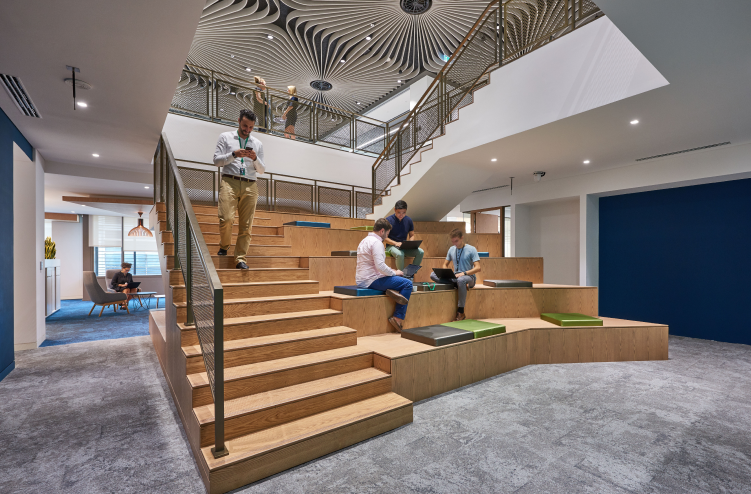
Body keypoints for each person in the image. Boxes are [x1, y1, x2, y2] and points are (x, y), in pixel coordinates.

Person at [213, 109, 267, 269]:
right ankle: (224, 245)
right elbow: (216, 161)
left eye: (251, 127)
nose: (247, 130)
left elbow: (262, 170)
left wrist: (255, 158)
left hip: (251, 184)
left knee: (246, 224)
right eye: (245, 126)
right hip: (230, 181)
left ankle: (240, 258)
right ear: (238, 121)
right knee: (226, 218)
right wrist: (233, 155)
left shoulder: (258, 143)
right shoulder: (225, 137)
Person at [356, 218, 413, 332]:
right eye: (387, 233)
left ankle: (391, 290)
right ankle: (397, 318)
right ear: (382, 231)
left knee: (395, 277)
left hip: (362, 279)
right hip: (371, 280)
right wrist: (395, 272)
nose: (387, 236)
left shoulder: (364, 240)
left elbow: (377, 266)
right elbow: (380, 267)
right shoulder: (377, 243)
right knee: (407, 284)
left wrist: (391, 271)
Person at [430, 228, 482, 321]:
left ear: (462, 238)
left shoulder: (471, 249)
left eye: (456, 241)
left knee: (461, 280)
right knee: (432, 275)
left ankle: (461, 311)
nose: (455, 243)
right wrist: (446, 273)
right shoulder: (451, 249)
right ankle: (457, 285)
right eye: (453, 241)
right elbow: (445, 264)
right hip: (455, 276)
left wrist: (464, 273)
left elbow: (478, 268)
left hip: (469, 277)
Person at [384, 200, 424, 273]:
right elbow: (384, 238)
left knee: (421, 252)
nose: (401, 215)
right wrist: (395, 243)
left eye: (404, 213)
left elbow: (412, 235)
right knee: (400, 254)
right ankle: (401, 275)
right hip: (391, 246)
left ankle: (410, 273)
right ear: (395, 210)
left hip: (404, 246)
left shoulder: (409, 220)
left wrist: (410, 244)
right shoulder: (388, 220)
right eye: (399, 212)